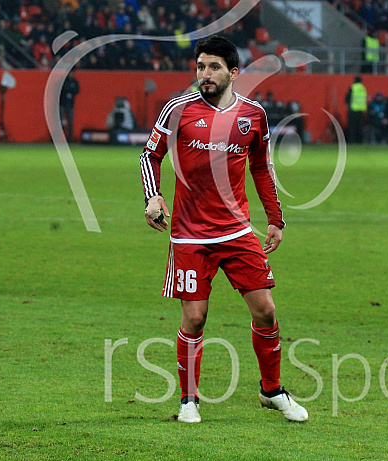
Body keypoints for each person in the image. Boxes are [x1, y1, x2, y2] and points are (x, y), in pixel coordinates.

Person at [139, 35, 308, 424]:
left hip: (236, 231)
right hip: (190, 233)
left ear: (233, 73)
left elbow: (262, 168)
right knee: (194, 318)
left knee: (266, 310)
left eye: (213, 67)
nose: (205, 74)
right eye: (200, 66)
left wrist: (276, 219)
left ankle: (272, 391)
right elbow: (151, 153)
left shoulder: (254, 115)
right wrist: (153, 196)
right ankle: (188, 400)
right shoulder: (177, 109)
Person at [345, 75, 367, 144]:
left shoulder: (353, 87)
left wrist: (348, 105)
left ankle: (352, 141)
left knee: (352, 127)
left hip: (353, 109)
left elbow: (347, 98)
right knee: (359, 127)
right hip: (361, 110)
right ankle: (360, 141)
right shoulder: (363, 88)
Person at [59, 71, 80, 140]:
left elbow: (77, 90)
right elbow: (62, 90)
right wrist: (69, 90)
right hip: (62, 104)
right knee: (59, 121)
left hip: (70, 105)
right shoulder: (64, 81)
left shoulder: (75, 82)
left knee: (70, 122)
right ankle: (58, 136)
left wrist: (69, 90)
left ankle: (69, 137)